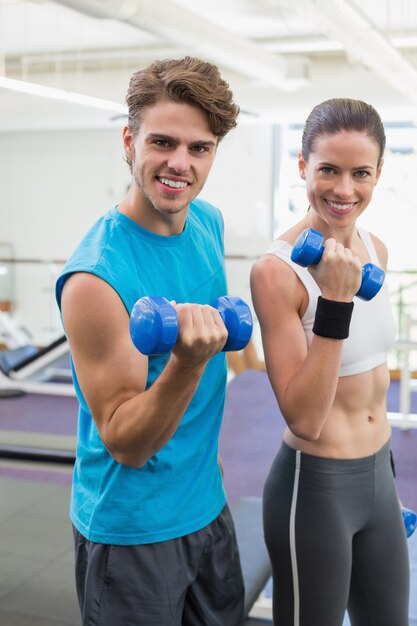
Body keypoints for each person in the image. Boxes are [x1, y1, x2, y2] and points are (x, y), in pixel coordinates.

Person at [55, 56, 245, 626]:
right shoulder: (95, 278)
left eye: (200, 148)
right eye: (162, 141)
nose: (179, 164)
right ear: (129, 140)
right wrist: (186, 362)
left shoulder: (207, 222)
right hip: (132, 531)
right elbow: (126, 443)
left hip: (207, 508)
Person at [250, 98, 410, 626]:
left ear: (378, 173)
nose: (344, 189)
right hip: (315, 488)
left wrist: (383, 475)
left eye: (360, 173)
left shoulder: (376, 248)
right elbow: (304, 418)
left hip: (379, 478)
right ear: (302, 166)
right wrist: (335, 303)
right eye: (328, 170)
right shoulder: (277, 273)